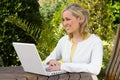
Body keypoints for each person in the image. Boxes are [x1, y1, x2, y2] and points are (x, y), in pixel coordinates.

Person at [44, 3, 103, 80]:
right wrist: (51, 61)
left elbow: (95, 69)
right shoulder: (64, 40)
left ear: (80, 19)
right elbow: (50, 58)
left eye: (68, 19)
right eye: (63, 20)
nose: (65, 23)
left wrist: (62, 66)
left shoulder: (95, 41)